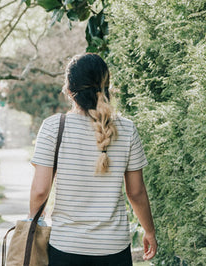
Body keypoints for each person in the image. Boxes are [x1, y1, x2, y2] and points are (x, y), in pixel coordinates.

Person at [29, 53, 156, 265]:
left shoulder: (53, 127)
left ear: (69, 90)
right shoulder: (127, 129)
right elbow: (136, 192)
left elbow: (40, 190)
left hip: (66, 247)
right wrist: (149, 231)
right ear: (107, 86)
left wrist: (33, 227)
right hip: (114, 248)